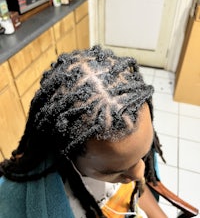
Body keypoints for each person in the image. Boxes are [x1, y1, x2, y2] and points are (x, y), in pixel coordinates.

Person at [0, 45, 167, 218]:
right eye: (114, 171)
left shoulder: (129, 139)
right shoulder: (28, 199)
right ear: (67, 153)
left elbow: (142, 188)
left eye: (143, 154)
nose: (139, 173)